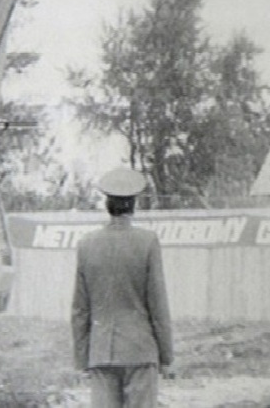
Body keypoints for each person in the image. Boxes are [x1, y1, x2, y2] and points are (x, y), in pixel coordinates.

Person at [72, 167, 173, 408]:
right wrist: (166, 356)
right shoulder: (147, 242)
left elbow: (80, 310)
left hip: (101, 352)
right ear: (133, 205)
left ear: (107, 204)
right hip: (140, 351)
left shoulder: (87, 244)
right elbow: (158, 304)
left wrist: (82, 358)